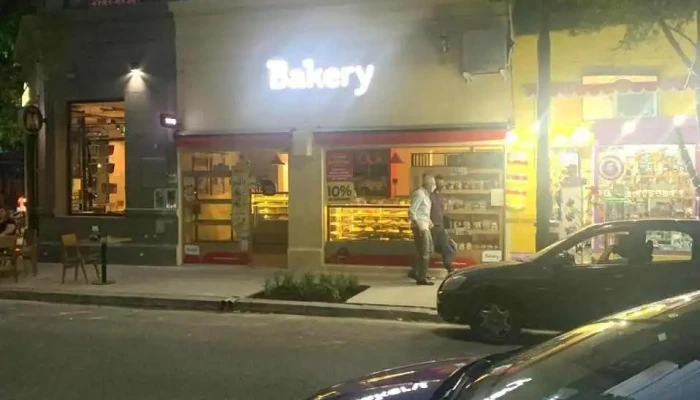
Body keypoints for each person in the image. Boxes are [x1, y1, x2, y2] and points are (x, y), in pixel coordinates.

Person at [408, 174, 436, 285]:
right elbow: (412, 211)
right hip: (421, 228)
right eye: (433, 184)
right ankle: (421, 278)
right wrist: (419, 226)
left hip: (425, 226)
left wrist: (429, 221)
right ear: (428, 185)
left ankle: (421, 273)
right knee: (424, 253)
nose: (435, 186)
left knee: (429, 251)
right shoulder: (419, 194)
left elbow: (423, 212)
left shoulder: (426, 195)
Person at [430, 175, 454, 274]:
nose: (441, 185)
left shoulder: (439, 195)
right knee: (428, 250)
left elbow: (440, 211)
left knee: (449, 247)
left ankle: (449, 267)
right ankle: (416, 270)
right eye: (439, 183)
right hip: (431, 227)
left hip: (440, 226)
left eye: (442, 183)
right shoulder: (429, 195)